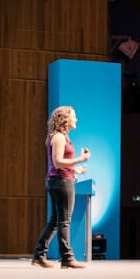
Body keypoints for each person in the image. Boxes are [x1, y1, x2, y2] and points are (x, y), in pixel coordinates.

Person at [31, 105, 89, 269]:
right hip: (61, 182)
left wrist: (75, 169)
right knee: (64, 221)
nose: (76, 119)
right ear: (65, 119)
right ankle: (67, 258)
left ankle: (39, 256)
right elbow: (57, 163)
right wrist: (80, 159)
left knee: (56, 221)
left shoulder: (60, 136)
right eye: (73, 116)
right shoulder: (58, 137)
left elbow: (60, 163)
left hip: (59, 179)